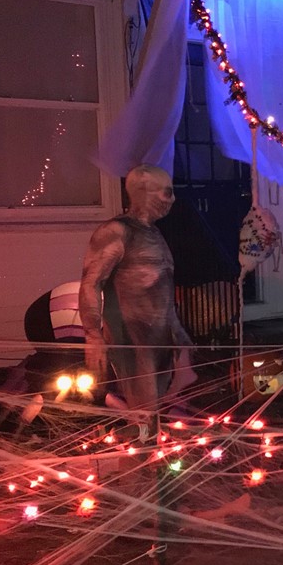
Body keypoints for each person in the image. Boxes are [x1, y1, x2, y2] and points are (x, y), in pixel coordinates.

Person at [80, 165, 196, 428]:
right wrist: (93, 335)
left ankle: (153, 462)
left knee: (160, 414)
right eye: (167, 193)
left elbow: (161, 288)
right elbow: (91, 282)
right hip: (133, 341)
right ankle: (140, 466)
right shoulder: (117, 232)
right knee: (143, 417)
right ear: (144, 191)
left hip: (162, 341)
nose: (173, 199)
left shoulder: (154, 234)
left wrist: (178, 333)